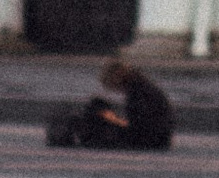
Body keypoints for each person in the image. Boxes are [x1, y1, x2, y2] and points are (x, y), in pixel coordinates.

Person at [46, 55, 175, 152]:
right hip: (156, 137)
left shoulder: (140, 92)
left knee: (96, 111)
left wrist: (111, 119)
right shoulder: (141, 87)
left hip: (149, 139)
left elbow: (138, 125)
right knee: (98, 107)